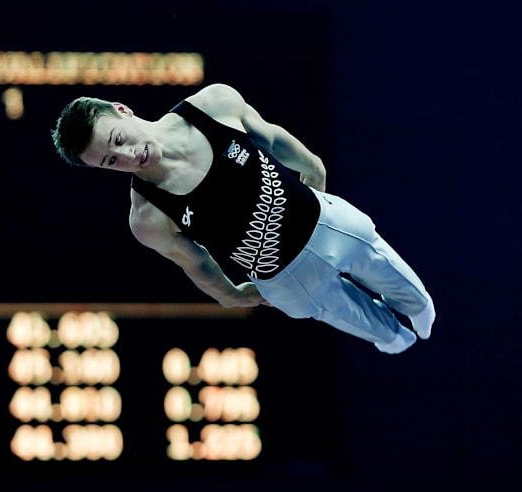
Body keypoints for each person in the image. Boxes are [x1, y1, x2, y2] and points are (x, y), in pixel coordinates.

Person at [50, 83, 435, 354]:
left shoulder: (213, 104)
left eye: (119, 140)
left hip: (329, 227)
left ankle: (417, 319)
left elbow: (272, 138)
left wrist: (313, 172)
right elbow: (196, 263)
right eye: (111, 161)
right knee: (390, 338)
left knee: (422, 307)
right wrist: (232, 296)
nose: (130, 155)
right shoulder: (147, 216)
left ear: (123, 110)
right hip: (288, 282)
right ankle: (396, 341)